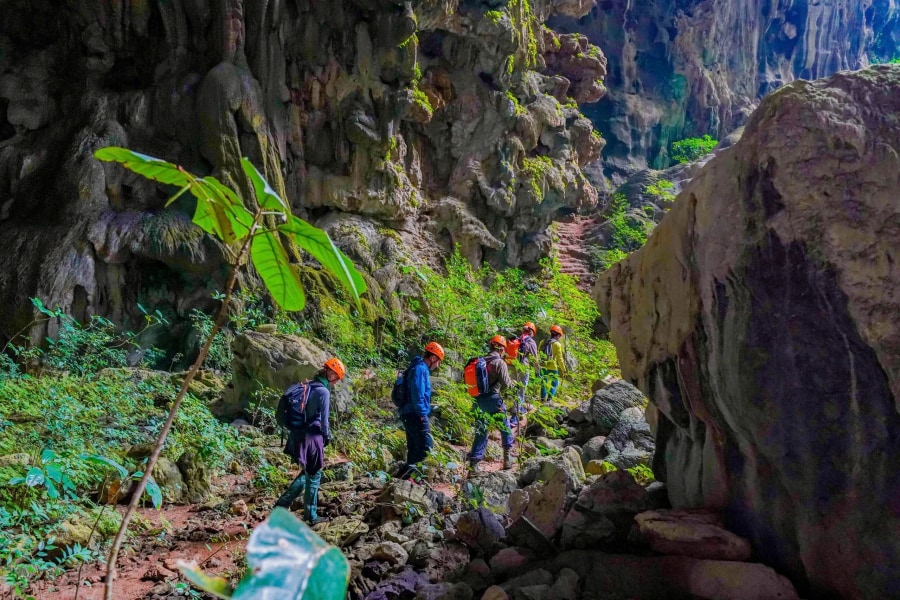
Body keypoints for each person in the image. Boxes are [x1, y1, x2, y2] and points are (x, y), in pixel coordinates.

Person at [274, 357, 346, 524]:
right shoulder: (324, 392)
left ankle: (282, 505)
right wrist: (327, 438)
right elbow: (324, 421)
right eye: (336, 377)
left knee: (308, 472)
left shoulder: (309, 385)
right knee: (314, 475)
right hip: (312, 438)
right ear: (330, 374)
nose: (336, 381)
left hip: (297, 435)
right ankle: (311, 516)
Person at [468, 335, 516, 472]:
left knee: (481, 431)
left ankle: (474, 466)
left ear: (490, 346)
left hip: (478, 402)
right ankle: (507, 459)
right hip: (494, 400)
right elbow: (507, 384)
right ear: (502, 349)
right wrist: (513, 388)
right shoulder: (500, 363)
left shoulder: (479, 361)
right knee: (505, 427)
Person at [398, 341, 445, 481]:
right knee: (426, 448)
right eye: (438, 362)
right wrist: (423, 414)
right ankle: (415, 481)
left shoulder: (417, 367)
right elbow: (418, 394)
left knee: (414, 449)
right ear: (433, 358)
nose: (438, 365)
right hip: (415, 414)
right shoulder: (420, 369)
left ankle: (405, 481)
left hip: (409, 413)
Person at [510, 322, 539, 426]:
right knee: (521, 390)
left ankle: (516, 407)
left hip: (512, 366)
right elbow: (535, 359)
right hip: (522, 367)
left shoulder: (517, 339)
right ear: (532, 332)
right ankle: (514, 417)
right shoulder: (530, 341)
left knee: (514, 389)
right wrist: (537, 372)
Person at [540, 325, 568, 401]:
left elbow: (538, 353)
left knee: (543, 383)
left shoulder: (543, 342)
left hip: (543, 365)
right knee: (554, 383)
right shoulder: (557, 344)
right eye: (559, 336)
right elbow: (560, 359)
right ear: (558, 335)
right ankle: (549, 399)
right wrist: (564, 369)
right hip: (552, 367)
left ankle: (542, 399)